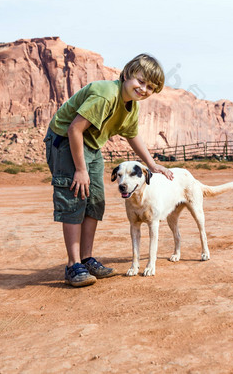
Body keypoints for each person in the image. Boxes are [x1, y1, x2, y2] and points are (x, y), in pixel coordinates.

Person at [44, 53, 173, 287]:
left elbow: (132, 134)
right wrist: (80, 170)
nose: (144, 89)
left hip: (91, 145)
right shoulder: (106, 94)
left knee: (94, 201)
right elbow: (74, 129)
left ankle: (86, 259)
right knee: (75, 197)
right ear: (126, 75)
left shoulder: (131, 107)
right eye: (141, 81)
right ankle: (74, 265)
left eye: (150, 87)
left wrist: (152, 165)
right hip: (64, 140)